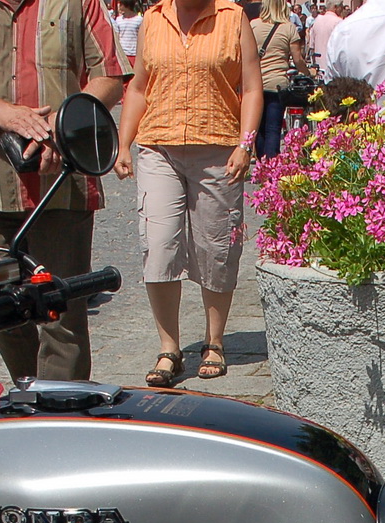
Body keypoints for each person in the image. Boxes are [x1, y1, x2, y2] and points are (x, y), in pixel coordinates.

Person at [0, 0, 127, 381]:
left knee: (61, 317)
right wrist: (2, 111)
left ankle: (58, 417)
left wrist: (61, 122)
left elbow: (110, 78)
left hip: (61, 186)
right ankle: (28, 395)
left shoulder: (80, 3)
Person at [115, 0, 262, 384]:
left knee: (216, 247)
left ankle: (214, 342)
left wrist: (245, 144)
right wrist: (123, 144)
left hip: (218, 149)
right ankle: (169, 348)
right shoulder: (153, 18)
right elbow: (139, 87)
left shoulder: (233, 18)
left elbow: (251, 87)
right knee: (159, 244)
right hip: (158, 146)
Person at [253, 0, 304, 157]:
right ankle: (272, 166)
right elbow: (298, 59)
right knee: (273, 128)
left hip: (256, 84)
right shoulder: (289, 28)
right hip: (277, 84)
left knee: (259, 128)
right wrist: (308, 73)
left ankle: (262, 165)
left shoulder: (253, 25)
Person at [308, 0, 343, 74]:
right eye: (341, 7)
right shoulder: (339, 22)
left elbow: (311, 44)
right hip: (333, 67)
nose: (342, 9)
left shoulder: (317, 20)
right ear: (335, 7)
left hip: (318, 65)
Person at [115, 0, 144, 65]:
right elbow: (117, 36)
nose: (119, 6)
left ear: (127, 5)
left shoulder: (139, 20)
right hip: (123, 54)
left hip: (135, 54)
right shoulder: (118, 20)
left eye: (121, 4)